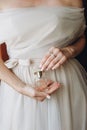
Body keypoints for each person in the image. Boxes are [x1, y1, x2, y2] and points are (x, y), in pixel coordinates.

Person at [0, 0, 87, 130]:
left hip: (65, 82)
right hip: (17, 84)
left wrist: (70, 50)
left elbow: (81, 37)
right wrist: (22, 87)